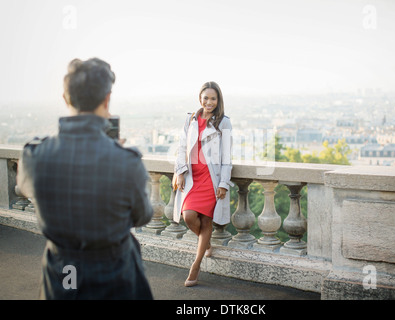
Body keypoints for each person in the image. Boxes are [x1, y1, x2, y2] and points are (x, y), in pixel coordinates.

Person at [17, 58, 154, 300]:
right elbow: (142, 216)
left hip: (62, 275)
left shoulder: (34, 156)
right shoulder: (126, 161)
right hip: (115, 276)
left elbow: (24, 189)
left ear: (65, 98)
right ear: (107, 99)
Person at [173, 81, 233, 287]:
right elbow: (181, 147)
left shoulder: (223, 122)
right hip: (192, 177)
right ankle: (205, 242)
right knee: (188, 216)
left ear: (218, 101)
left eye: (213, 98)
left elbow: (227, 156)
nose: (209, 102)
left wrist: (224, 183)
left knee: (206, 221)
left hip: (211, 178)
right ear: (200, 98)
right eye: (205, 97)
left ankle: (196, 266)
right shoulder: (190, 119)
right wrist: (179, 172)